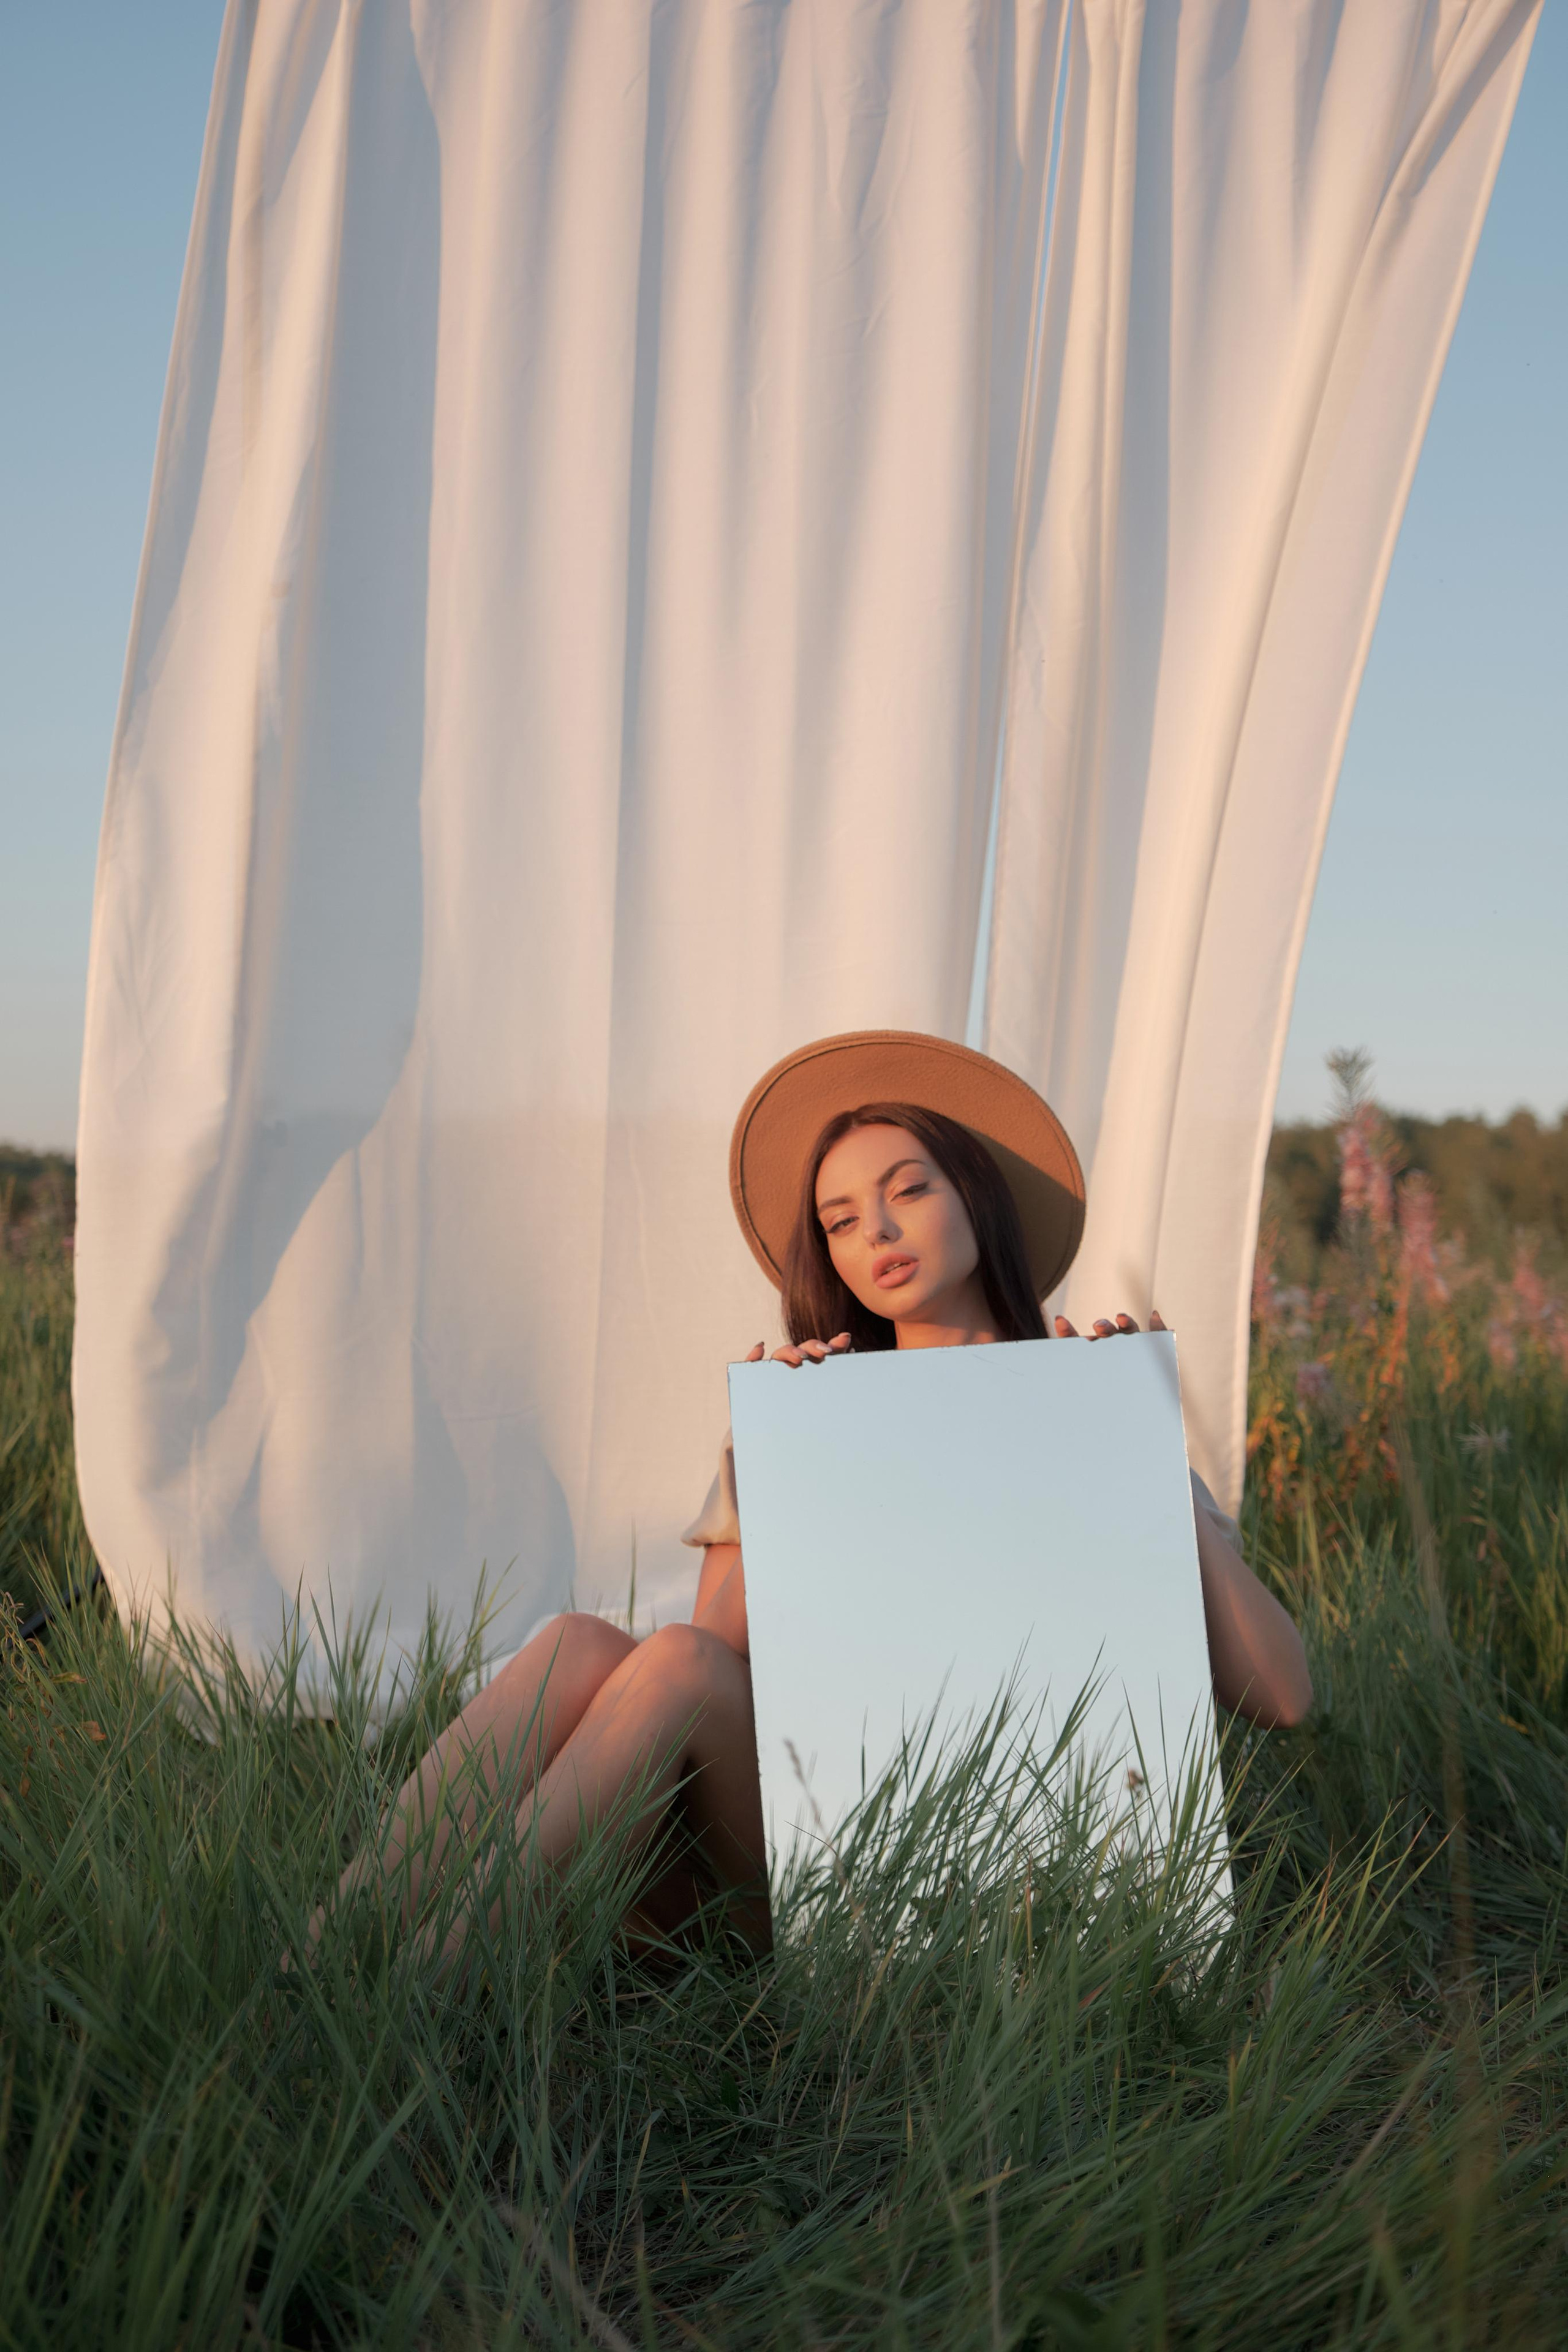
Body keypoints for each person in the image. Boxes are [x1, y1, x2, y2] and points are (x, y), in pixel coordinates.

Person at [303, 1032, 1311, 1970]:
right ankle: (334, 1947)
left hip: (986, 1891)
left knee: (667, 1661)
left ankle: (428, 1982)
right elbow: (711, 1662)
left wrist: (1138, 1453)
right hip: (798, 1835)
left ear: (978, 1197)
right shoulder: (806, 1409)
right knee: (580, 1643)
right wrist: (780, 1466)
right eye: (839, 1221)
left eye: (907, 1190)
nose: (875, 1230)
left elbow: (1283, 1697)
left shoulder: (1096, 1408)